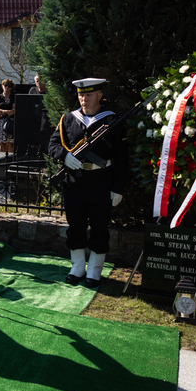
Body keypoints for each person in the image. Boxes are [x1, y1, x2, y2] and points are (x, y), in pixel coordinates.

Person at [47, 78, 127, 287]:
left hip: (101, 182)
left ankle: (95, 270)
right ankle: (77, 266)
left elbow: (122, 157)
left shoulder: (112, 121)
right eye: (81, 95)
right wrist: (64, 156)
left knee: (100, 227)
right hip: (74, 182)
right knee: (76, 225)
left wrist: (118, 187)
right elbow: (53, 144)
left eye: (89, 95)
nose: (84, 99)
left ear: (100, 95)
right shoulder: (68, 119)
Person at [0, 79, 15, 154]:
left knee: (10, 143)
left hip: (10, 122)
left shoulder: (13, 97)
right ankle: (1, 160)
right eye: (5, 85)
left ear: (11, 88)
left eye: (9, 86)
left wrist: (1, 112)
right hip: (0, 122)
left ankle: (10, 160)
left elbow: (13, 111)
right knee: (2, 143)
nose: (7, 87)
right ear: (2, 86)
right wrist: (6, 112)